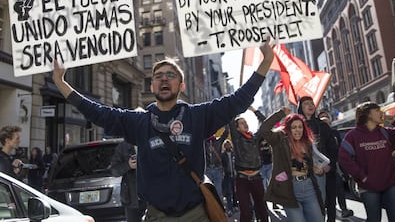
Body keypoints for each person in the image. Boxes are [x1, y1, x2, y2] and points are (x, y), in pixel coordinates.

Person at [52, 39, 274, 221]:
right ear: (152, 86)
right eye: (158, 76)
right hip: (156, 216)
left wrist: (266, 62)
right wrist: (61, 83)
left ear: (181, 85)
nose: (164, 79)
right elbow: (98, 112)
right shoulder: (138, 121)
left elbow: (238, 100)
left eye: (171, 75)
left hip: (196, 215)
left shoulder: (198, 115)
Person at [339, 102, 395, 222]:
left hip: (391, 184)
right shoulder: (353, 136)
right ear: (368, 115)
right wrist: (362, 177)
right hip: (369, 188)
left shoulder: (385, 133)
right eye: (377, 110)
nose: (381, 113)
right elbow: (343, 158)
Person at [258, 109, 325, 222]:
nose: (298, 130)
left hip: (309, 187)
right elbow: (264, 130)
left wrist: (319, 170)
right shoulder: (279, 140)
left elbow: (312, 165)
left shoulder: (307, 143)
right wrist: (280, 114)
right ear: (288, 129)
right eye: (294, 127)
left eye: (300, 127)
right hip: (289, 189)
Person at [297, 96, 338, 222]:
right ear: (300, 108)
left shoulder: (322, 125)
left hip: (326, 170)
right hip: (307, 173)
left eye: (311, 103)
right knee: (315, 206)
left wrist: (329, 166)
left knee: (330, 202)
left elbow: (333, 148)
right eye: (306, 104)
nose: (310, 106)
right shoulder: (298, 127)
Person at [229, 113, 269, 222]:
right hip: (242, 180)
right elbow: (230, 119)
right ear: (237, 128)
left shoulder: (255, 138)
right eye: (242, 123)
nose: (245, 124)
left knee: (262, 210)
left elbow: (265, 123)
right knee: (246, 212)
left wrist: (254, 111)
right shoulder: (236, 138)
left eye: (245, 122)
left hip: (257, 178)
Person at [318, 110, 354, 218]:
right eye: (322, 118)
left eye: (326, 118)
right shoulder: (317, 134)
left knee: (339, 187)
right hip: (321, 167)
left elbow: (339, 148)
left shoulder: (335, 133)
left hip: (334, 165)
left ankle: (343, 209)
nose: (325, 120)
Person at [111, 140, 147, 222]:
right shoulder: (123, 147)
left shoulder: (150, 142)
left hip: (151, 196)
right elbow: (114, 171)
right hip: (132, 198)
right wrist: (128, 165)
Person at [204, 127, 228, 202]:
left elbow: (226, 132)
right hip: (207, 169)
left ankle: (220, 210)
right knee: (207, 193)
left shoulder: (218, 140)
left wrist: (226, 122)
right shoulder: (204, 142)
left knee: (218, 192)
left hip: (217, 169)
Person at [221, 138, 237, 217]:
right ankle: (229, 208)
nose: (227, 145)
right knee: (228, 192)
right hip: (227, 175)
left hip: (234, 174)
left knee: (235, 191)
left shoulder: (234, 153)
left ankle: (235, 205)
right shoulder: (222, 155)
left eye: (229, 144)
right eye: (226, 144)